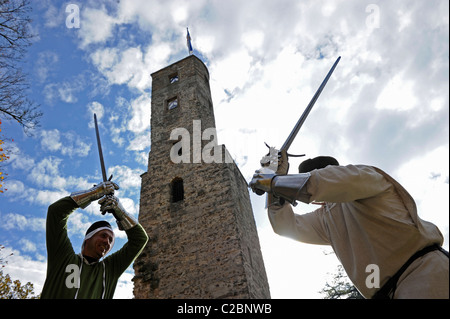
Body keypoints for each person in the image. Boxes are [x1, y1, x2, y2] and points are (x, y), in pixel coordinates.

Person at [250, 156, 449, 299]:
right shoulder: (326, 218)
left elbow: (323, 183)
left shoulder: (365, 177)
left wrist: (274, 180)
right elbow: (285, 227)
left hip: (425, 273)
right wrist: (275, 185)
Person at [40, 181, 148, 299]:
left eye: (111, 240)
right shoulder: (63, 258)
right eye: (103, 235)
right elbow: (56, 212)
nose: (107, 242)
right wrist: (93, 193)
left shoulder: (110, 270)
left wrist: (120, 212)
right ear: (88, 238)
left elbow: (140, 239)